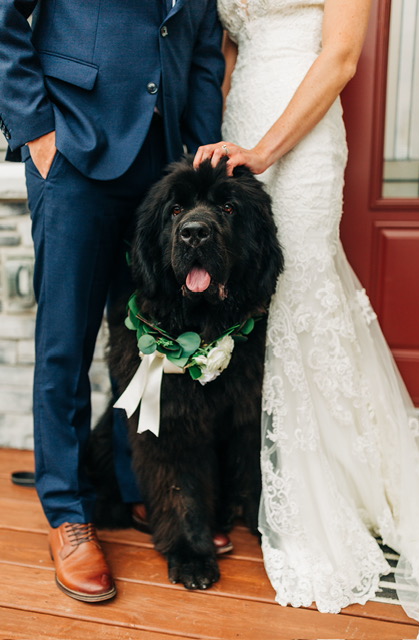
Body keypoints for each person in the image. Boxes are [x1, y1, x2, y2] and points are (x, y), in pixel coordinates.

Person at [194, 0, 419, 636]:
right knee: (245, 308)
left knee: (301, 292)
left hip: (302, 133)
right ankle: (248, 482)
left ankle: (322, 489)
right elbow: (227, 52)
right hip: (240, 126)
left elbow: (341, 58)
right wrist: (219, 136)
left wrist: (264, 151)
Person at [0, 0, 224, 602]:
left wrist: (197, 163)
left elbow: (203, 53)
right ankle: (68, 513)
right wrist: (36, 129)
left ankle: (139, 489)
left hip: (166, 169)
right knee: (65, 344)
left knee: (149, 345)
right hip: (74, 147)